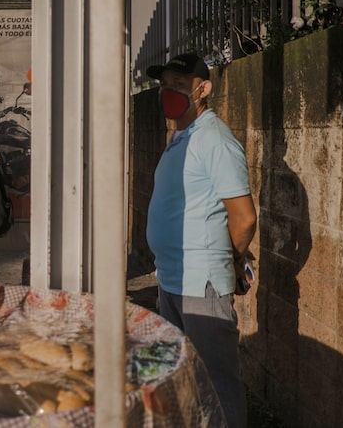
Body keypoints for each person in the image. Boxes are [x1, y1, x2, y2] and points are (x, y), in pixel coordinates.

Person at [145, 53, 257, 428]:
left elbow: (244, 217)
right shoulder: (181, 136)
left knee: (216, 383)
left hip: (201, 283)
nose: (169, 92)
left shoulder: (214, 139)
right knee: (184, 379)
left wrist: (231, 260)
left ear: (203, 89)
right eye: (165, 85)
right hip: (172, 279)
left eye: (179, 85)